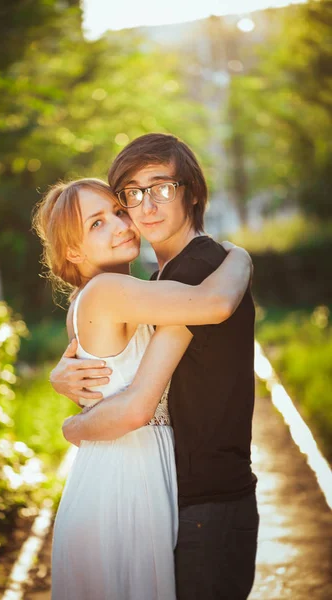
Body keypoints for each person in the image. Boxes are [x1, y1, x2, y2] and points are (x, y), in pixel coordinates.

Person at [53, 133, 259, 600]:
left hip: (204, 499)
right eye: (132, 194)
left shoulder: (194, 269)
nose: (143, 207)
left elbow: (215, 302)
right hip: (161, 490)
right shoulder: (159, 281)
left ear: (191, 190)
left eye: (161, 187)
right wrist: (242, 257)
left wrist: (74, 426)